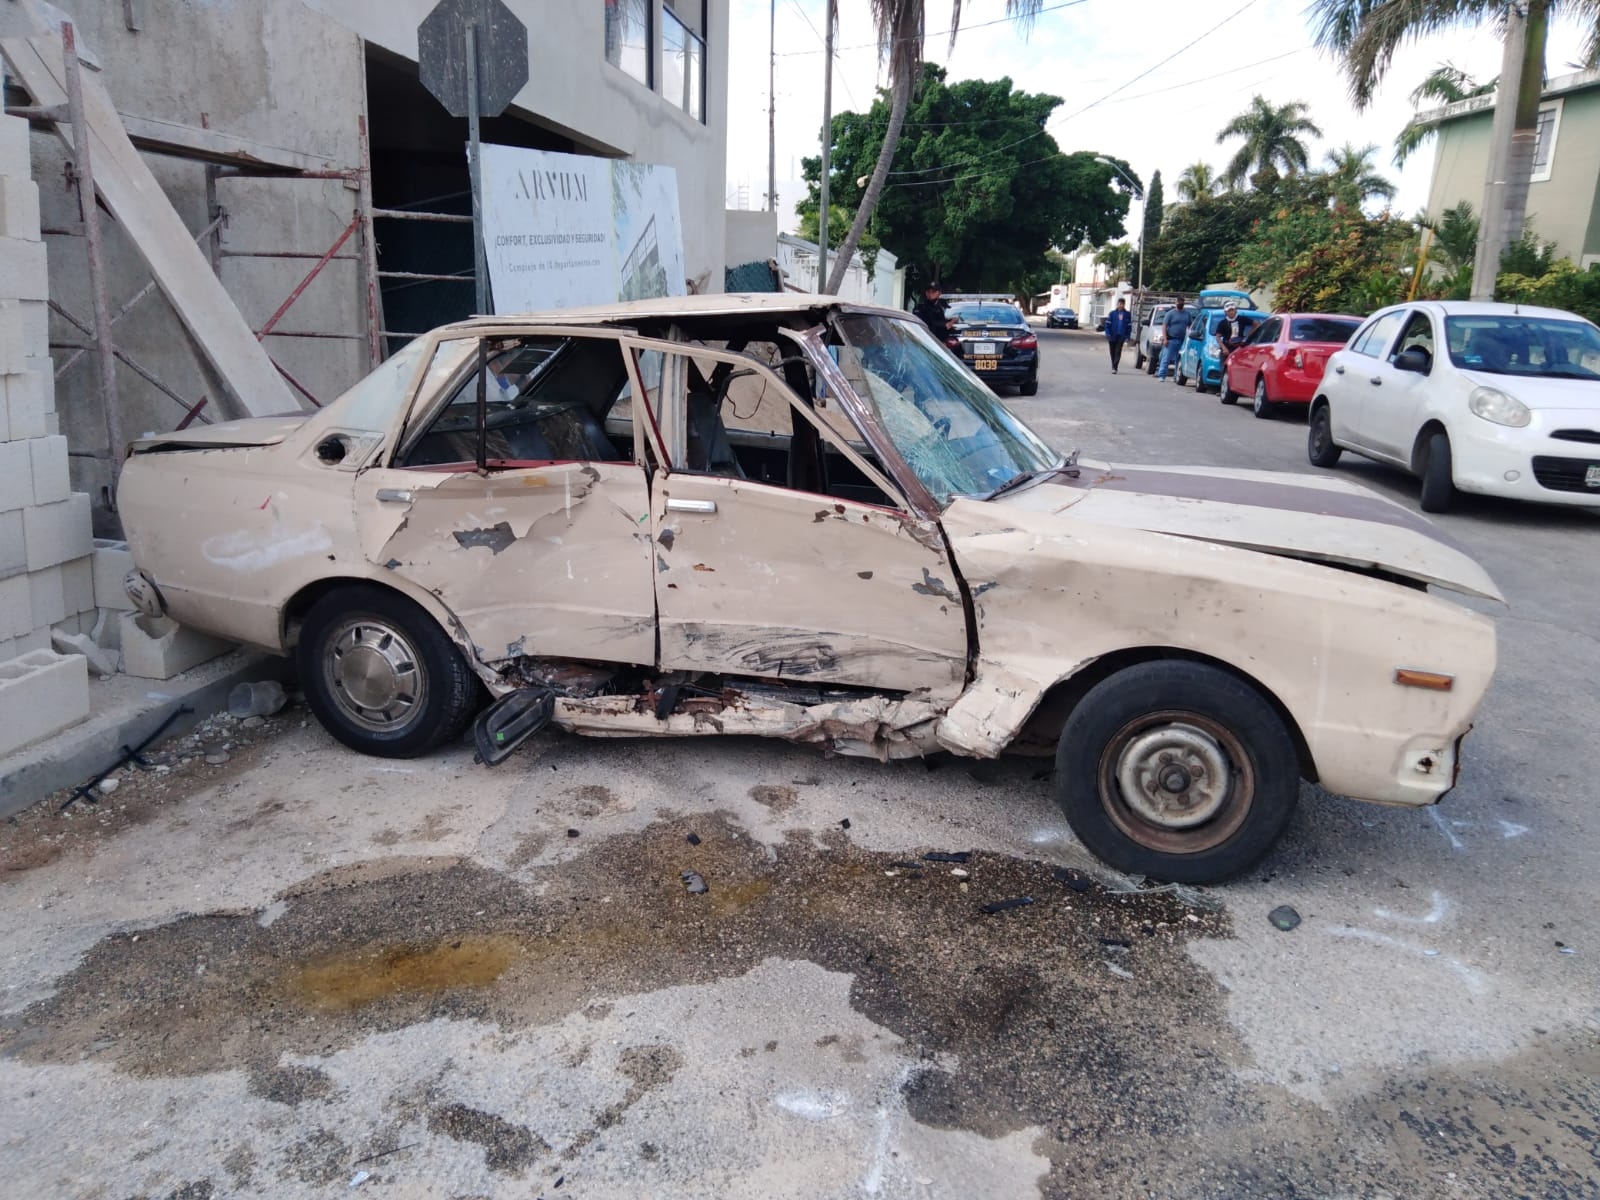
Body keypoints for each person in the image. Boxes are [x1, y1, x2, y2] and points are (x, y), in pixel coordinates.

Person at [1157, 298, 1192, 381]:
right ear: (1176, 303)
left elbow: (1190, 326)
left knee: (1179, 360)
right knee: (1166, 358)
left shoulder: (1187, 314)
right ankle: (1162, 375)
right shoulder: (1170, 314)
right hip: (1171, 339)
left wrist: (1188, 338)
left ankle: (1176, 376)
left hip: (1182, 340)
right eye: (1179, 302)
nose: (1180, 303)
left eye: (1182, 302)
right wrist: (1165, 338)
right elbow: (1164, 326)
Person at [1103, 297, 1132, 373]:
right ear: (1117, 304)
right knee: (1112, 351)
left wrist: (1127, 336)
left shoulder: (1127, 314)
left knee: (1118, 351)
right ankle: (1113, 364)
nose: (1120, 305)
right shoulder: (1112, 314)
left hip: (1121, 336)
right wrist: (1107, 333)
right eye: (1119, 304)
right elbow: (1107, 325)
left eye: (1122, 304)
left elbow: (1129, 326)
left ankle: (1115, 367)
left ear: (1124, 305)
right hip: (1112, 335)